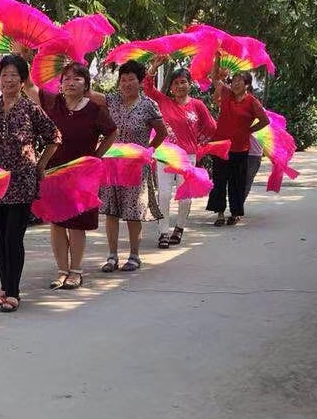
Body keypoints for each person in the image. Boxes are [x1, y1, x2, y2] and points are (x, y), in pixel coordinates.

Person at [0, 54, 60, 312]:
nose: (8, 80)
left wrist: (40, 166)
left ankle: (13, 292)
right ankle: (4, 287)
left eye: (13, 75)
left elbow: (54, 136)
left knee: (13, 237)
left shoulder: (30, 109)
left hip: (21, 182)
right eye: (4, 75)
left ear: (22, 80)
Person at [25, 62, 116, 289]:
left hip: (82, 176)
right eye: (66, 79)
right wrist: (23, 58)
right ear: (61, 84)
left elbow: (112, 132)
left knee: (76, 224)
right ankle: (61, 270)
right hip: (54, 173)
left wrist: (96, 156)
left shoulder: (94, 110)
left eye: (77, 78)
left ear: (86, 84)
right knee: (57, 223)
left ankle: (75, 271)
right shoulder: (53, 103)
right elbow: (29, 86)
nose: (71, 83)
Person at [98, 61, 168, 272]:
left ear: (140, 82)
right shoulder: (112, 101)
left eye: (131, 79)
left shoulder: (148, 105)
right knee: (111, 211)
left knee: (133, 211)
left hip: (135, 166)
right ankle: (112, 256)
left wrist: (149, 150)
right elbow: (89, 95)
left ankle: (134, 255)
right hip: (111, 164)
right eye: (123, 80)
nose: (127, 84)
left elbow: (162, 132)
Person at [144, 61, 217, 248]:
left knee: (185, 197)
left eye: (183, 82)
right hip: (165, 155)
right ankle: (163, 232)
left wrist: (199, 142)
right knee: (164, 195)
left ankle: (179, 228)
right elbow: (147, 88)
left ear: (189, 84)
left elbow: (211, 127)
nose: (179, 86)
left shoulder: (197, 105)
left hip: (187, 158)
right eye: (176, 83)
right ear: (171, 87)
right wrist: (154, 67)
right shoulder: (164, 102)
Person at [206, 61, 270, 226]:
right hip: (220, 146)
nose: (235, 83)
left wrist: (249, 130)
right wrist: (217, 58)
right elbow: (214, 78)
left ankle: (235, 213)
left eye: (239, 81)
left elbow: (265, 120)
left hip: (240, 148)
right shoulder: (227, 94)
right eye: (234, 80)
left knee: (236, 182)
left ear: (247, 84)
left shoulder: (252, 102)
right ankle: (219, 213)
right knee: (219, 181)